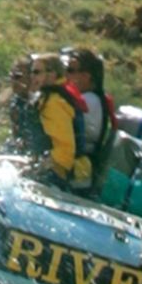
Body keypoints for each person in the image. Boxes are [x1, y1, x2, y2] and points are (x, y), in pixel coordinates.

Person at [28, 52, 94, 193]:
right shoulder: (52, 96)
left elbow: (64, 152)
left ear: (52, 75)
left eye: (37, 72)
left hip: (64, 176)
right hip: (59, 168)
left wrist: (36, 170)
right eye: (31, 72)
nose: (32, 76)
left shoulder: (55, 103)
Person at [60, 46, 117, 183]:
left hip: (79, 171)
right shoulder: (93, 99)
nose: (65, 75)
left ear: (86, 77)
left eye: (70, 71)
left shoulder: (89, 102)